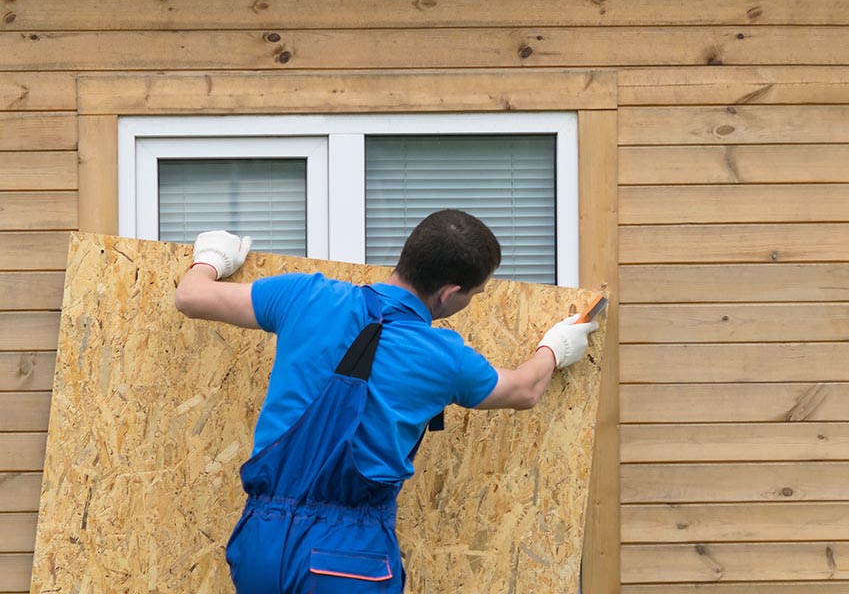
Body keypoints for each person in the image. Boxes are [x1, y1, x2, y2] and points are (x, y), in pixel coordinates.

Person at [174, 209, 598, 594]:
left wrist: (212, 257)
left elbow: (191, 297)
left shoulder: (304, 296)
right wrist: (555, 348)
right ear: (450, 294)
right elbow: (522, 390)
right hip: (348, 556)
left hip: (261, 546)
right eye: (475, 294)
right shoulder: (444, 356)